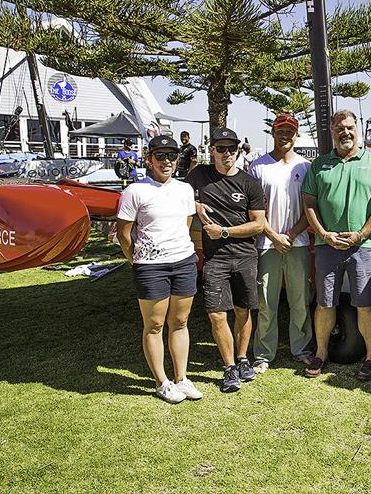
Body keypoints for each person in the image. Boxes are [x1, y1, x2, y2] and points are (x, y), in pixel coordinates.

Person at [301, 109, 371, 380]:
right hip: (326, 245)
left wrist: (361, 234)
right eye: (340, 128)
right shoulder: (319, 165)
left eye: (350, 127)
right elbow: (309, 204)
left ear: (358, 130)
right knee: (324, 303)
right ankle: (321, 353)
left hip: (362, 247)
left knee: (365, 303)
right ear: (332, 131)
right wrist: (324, 234)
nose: (346, 132)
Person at [116, 135, 203, 404]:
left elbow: (186, 223)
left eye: (172, 155)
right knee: (154, 325)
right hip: (151, 267)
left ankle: (181, 378)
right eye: (160, 155)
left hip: (184, 262)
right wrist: (135, 259)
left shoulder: (185, 189)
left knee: (180, 322)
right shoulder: (134, 191)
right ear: (149, 158)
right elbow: (124, 233)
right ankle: (161, 382)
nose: (167, 161)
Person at [185, 127, 267, 393]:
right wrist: (194, 204)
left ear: (238, 151)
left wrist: (223, 232)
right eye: (221, 148)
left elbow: (258, 225)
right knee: (216, 314)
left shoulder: (249, 183)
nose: (227, 153)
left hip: (245, 256)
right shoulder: (198, 176)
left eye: (232, 148)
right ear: (212, 151)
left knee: (244, 311)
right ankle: (229, 367)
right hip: (215, 259)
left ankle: (243, 359)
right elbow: (177, 195)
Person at [248, 114, 313, 373]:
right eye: (281, 131)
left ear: (296, 135)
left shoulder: (306, 166)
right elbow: (252, 210)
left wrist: (292, 234)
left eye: (290, 131)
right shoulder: (257, 167)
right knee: (266, 301)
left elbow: (310, 208)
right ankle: (263, 353)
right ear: (273, 133)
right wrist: (274, 236)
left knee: (300, 300)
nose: (285, 135)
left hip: (298, 242)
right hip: (267, 243)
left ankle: (301, 348)